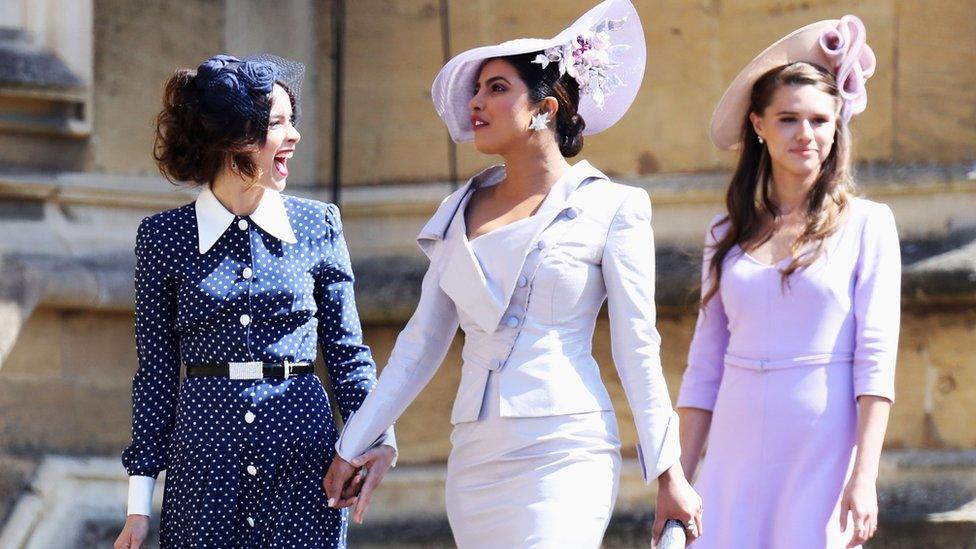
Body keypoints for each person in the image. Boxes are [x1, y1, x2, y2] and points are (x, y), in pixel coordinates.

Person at [323, 1, 701, 547]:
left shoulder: (614, 206)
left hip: (565, 447)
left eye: (496, 88)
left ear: (543, 108)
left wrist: (670, 474)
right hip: (474, 457)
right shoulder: (457, 209)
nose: (476, 102)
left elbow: (637, 346)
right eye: (476, 91)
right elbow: (419, 345)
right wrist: (352, 444)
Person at [114, 53, 394, 549]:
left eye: (293, 121)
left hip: (303, 459)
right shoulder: (162, 237)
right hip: (203, 465)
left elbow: (349, 354)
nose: (295, 136)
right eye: (277, 124)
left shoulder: (318, 224)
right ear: (233, 137)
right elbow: (155, 375)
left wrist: (376, 441)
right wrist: (138, 508)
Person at [676, 15, 899, 548]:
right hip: (734, 446)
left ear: (837, 125)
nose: (806, 135)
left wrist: (863, 477)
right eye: (789, 119)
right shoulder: (725, 231)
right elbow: (704, 363)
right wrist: (678, 481)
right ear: (758, 125)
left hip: (821, 447)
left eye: (820, 120)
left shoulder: (870, 225)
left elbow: (876, 360)